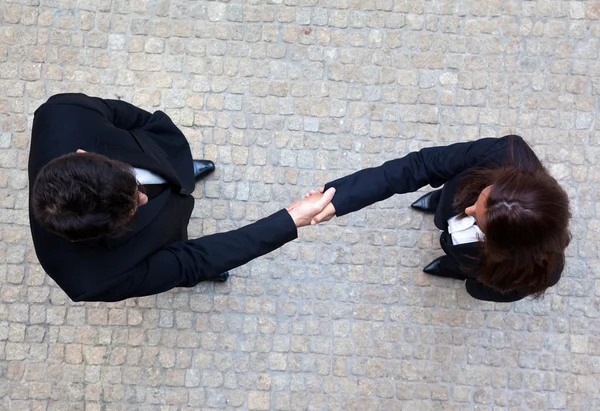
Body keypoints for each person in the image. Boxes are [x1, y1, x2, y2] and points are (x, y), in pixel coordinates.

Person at [29, 93, 335, 302]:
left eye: (132, 184)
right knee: (178, 248)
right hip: (161, 239)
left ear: (85, 155)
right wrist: (292, 219)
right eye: (131, 210)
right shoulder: (90, 279)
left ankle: (180, 172)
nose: (143, 199)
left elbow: (129, 118)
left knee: (178, 175)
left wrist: (162, 144)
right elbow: (193, 261)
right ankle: (178, 180)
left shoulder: (61, 112)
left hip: (158, 156)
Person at [305, 135, 571, 302]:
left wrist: (471, 278)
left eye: (478, 220)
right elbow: (421, 165)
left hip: (473, 263)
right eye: (479, 200)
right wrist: (338, 200)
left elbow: (490, 289)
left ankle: (453, 266)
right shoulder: (505, 152)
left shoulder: (537, 273)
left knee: (467, 275)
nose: (467, 212)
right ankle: (438, 202)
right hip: (451, 199)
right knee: (451, 204)